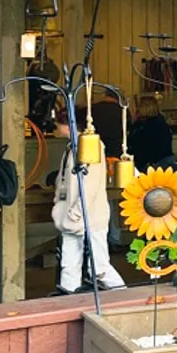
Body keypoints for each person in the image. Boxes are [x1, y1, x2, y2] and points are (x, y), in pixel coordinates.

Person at [52, 110, 126, 294]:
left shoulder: (92, 145)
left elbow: (90, 184)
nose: (56, 128)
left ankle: (124, 295)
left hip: (90, 216)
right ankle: (69, 303)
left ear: (67, 125)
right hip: (71, 214)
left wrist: (76, 211)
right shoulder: (71, 147)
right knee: (69, 265)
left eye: (58, 124)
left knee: (99, 268)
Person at [129, 94, 175, 172]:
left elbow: (134, 146)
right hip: (166, 160)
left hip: (151, 164)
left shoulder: (141, 127)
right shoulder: (162, 123)